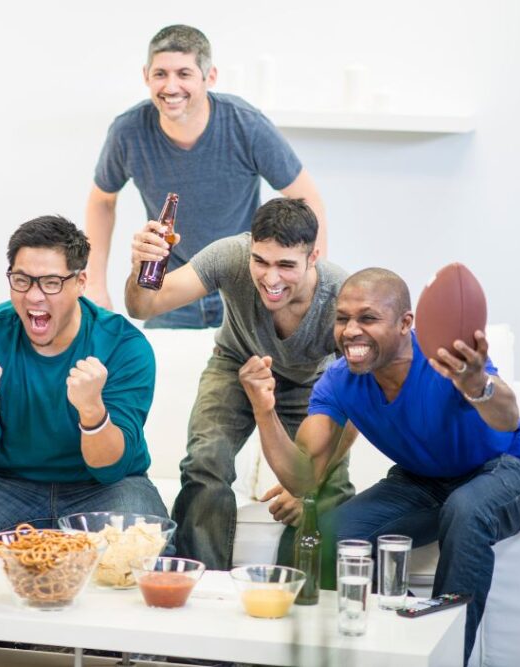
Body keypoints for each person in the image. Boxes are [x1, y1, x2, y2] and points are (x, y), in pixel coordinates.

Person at [249, 267, 520, 662]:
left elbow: (507, 419)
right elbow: (304, 477)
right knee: (332, 534)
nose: (351, 330)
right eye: (343, 318)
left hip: (508, 467)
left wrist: (478, 385)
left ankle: (446, 657)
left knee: (467, 509)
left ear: (405, 323)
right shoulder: (339, 382)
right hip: (422, 481)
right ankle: (409, 640)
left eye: (368, 318)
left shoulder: (445, 357)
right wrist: (264, 411)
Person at [126, 198, 353, 570]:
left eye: (286, 265)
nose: (271, 277)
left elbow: (357, 399)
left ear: (313, 258)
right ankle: (201, 585)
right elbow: (143, 307)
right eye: (260, 261)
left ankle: (291, 593)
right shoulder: (229, 257)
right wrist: (140, 267)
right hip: (236, 364)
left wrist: (313, 486)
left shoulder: (340, 297)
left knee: (326, 493)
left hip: (312, 383)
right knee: (205, 460)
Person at [0, 216, 170, 558]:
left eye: (52, 282)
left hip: (104, 488)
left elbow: (111, 468)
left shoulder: (124, 345)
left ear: (80, 282)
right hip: (1, 483)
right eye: (22, 280)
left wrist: (92, 411)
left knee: (144, 550)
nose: (34, 296)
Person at [86, 24, 327, 328]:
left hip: (242, 285)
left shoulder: (246, 125)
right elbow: (101, 202)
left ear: (209, 76)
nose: (171, 87)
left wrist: (310, 285)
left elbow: (307, 199)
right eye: (160, 74)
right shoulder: (128, 131)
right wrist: (95, 285)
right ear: (146, 76)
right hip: (172, 287)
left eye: (184, 74)